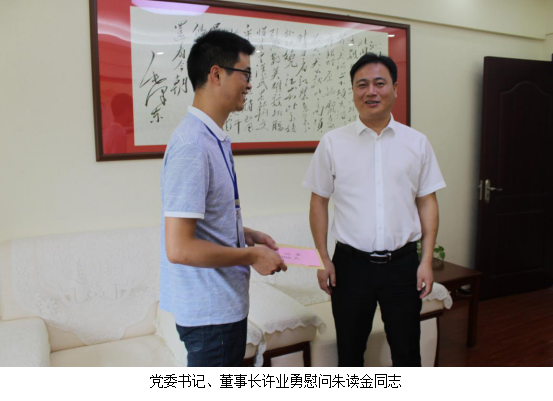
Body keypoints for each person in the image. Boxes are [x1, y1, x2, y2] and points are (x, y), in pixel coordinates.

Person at [302, 53, 446, 367]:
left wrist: (426, 261)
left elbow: (427, 202)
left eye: (380, 83)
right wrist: (323, 259)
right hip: (350, 267)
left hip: (403, 266)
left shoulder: (417, 143)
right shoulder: (332, 143)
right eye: (362, 84)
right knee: (350, 354)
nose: (371, 91)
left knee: (407, 354)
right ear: (353, 91)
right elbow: (318, 203)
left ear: (395, 88)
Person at [160, 29, 287, 367]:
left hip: (222, 308)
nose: (250, 84)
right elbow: (180, 248)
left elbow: (201, 222)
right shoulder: (192, 145)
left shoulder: (210, 138)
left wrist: (243, 233)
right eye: (245, 74)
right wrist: (251, 255)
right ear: (216, 74)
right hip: (210, 316)